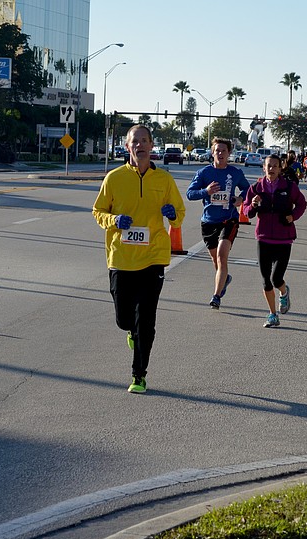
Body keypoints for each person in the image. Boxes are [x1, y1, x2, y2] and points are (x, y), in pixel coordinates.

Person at [93, 125, 186, 394]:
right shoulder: (114, 178)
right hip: (121, 258)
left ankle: (139, 375)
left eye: (145, 141)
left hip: (153, 257)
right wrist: (113, 220)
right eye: (136, 141)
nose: (141, 145)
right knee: (125, 319)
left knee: (145, 320)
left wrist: (172, 215)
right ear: (127, 146)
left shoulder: (164, 180)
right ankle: (131, 331)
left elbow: (179, 214)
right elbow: (98, 211)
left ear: (152, 145)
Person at [242, 154, 307, 328]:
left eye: (275, 166)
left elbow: (302, 204)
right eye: (268, 166)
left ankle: (284, 292)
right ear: (264, 168)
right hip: (263, 238)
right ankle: (272, 314)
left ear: (280, 168)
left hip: (283, 239)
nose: (271, 169)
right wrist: (253, 205)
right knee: (266, 280)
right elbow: (246, 211)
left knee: (277, 278)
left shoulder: (289, 187)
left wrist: (293, 216)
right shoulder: (256, 188)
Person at [186, 138, 251, 309]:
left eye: (223, 151)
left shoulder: (235, 173)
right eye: (217, 150)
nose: (220, 153)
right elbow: (190, 194)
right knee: (216, 261)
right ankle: (225, 279)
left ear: (229, 153)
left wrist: (240, 199)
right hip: (208, 222)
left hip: (228, 219)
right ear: (212, 153)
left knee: (222, 257)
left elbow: (248, 189)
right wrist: (205, 191)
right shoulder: (203, 173)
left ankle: (216, 296)